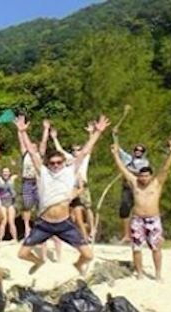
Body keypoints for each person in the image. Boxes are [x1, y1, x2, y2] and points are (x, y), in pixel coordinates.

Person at [15, 115, 109, 276]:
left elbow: (85, 151)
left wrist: (97, 133)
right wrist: (23, 132)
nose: (56, 165)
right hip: (44, 223)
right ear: (48, 164)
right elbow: (31, 152)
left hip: (64, 224)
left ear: (63, 162)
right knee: (22, 254)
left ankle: (78, 265)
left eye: (59, 162)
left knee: (88, 255)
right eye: (52, 163)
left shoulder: (69, 172)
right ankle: (38, 261)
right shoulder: (43, 172)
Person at [112, 139, 171, 281]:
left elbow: (165, 169)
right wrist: (115, 154)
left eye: (146, 175)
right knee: (136, 248)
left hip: (153, 219)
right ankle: (140, 273)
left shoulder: (156, 183)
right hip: (137, 219)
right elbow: (122, 168)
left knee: (156, 248)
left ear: (151, 176)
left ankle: (158, 273)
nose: (143, 178)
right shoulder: (135, 183)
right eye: (141, 175)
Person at [52, 125, 93, 242]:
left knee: (88, 208)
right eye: (74, 150)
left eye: (78, 149)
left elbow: (89, 148)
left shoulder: (84, 158)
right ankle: (77, 235)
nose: (76, 152)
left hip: (82, 185)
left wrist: (91, 133)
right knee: (73, 213)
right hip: (71, 188)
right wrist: (55, 138)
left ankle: (91, 231)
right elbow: (60, 150)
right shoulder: (69, 158)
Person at [112, 133, 150, 243]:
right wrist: (115, 135)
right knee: (124, 210)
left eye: (141, 150)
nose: (138, 151)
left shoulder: (145, 162)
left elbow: (141, 172)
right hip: (127, 187)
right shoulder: (128, 158)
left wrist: (126, 169)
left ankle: (143, 234)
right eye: (136, 150)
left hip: (138, 188)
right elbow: (118, 148)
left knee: (140, 210)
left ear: (143, 152)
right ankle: (126, 235)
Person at [0, 167, 18, 241]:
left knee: (11, 221)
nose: (5, 173)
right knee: (3, 221)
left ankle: (15, 239)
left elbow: (14, 194)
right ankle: (0, 239)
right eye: (4, 172)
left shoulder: (12, 181)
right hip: (2, 202)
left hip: (10, 202)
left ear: (9, 173)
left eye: (7, 172)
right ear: (2, 173)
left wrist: (11, 183)